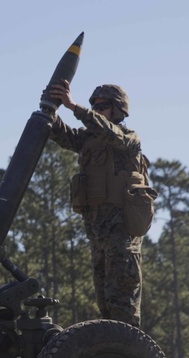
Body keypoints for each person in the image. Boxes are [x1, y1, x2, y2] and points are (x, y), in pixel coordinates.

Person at [43, 81, 153, 327]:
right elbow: (64, 135)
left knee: (122, 305)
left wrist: (75, 107)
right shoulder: (89, 140)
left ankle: (130, 357)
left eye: (102, 106)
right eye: (94, 105)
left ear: (117, 110)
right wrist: (51, 108)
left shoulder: (128, 139)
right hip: (99, 235)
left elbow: (111, 134)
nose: (96, 109)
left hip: (122, 235)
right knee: (105, 303)